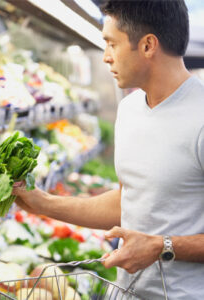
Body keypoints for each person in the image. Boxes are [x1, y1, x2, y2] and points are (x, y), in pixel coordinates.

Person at [13, 1, 204, 299]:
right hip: (123, 292)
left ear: (148, 45)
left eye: (112, 44)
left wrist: (162, 247)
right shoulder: (128, 110)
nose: (105, 57)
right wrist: (42, 203)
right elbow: (129, 201)